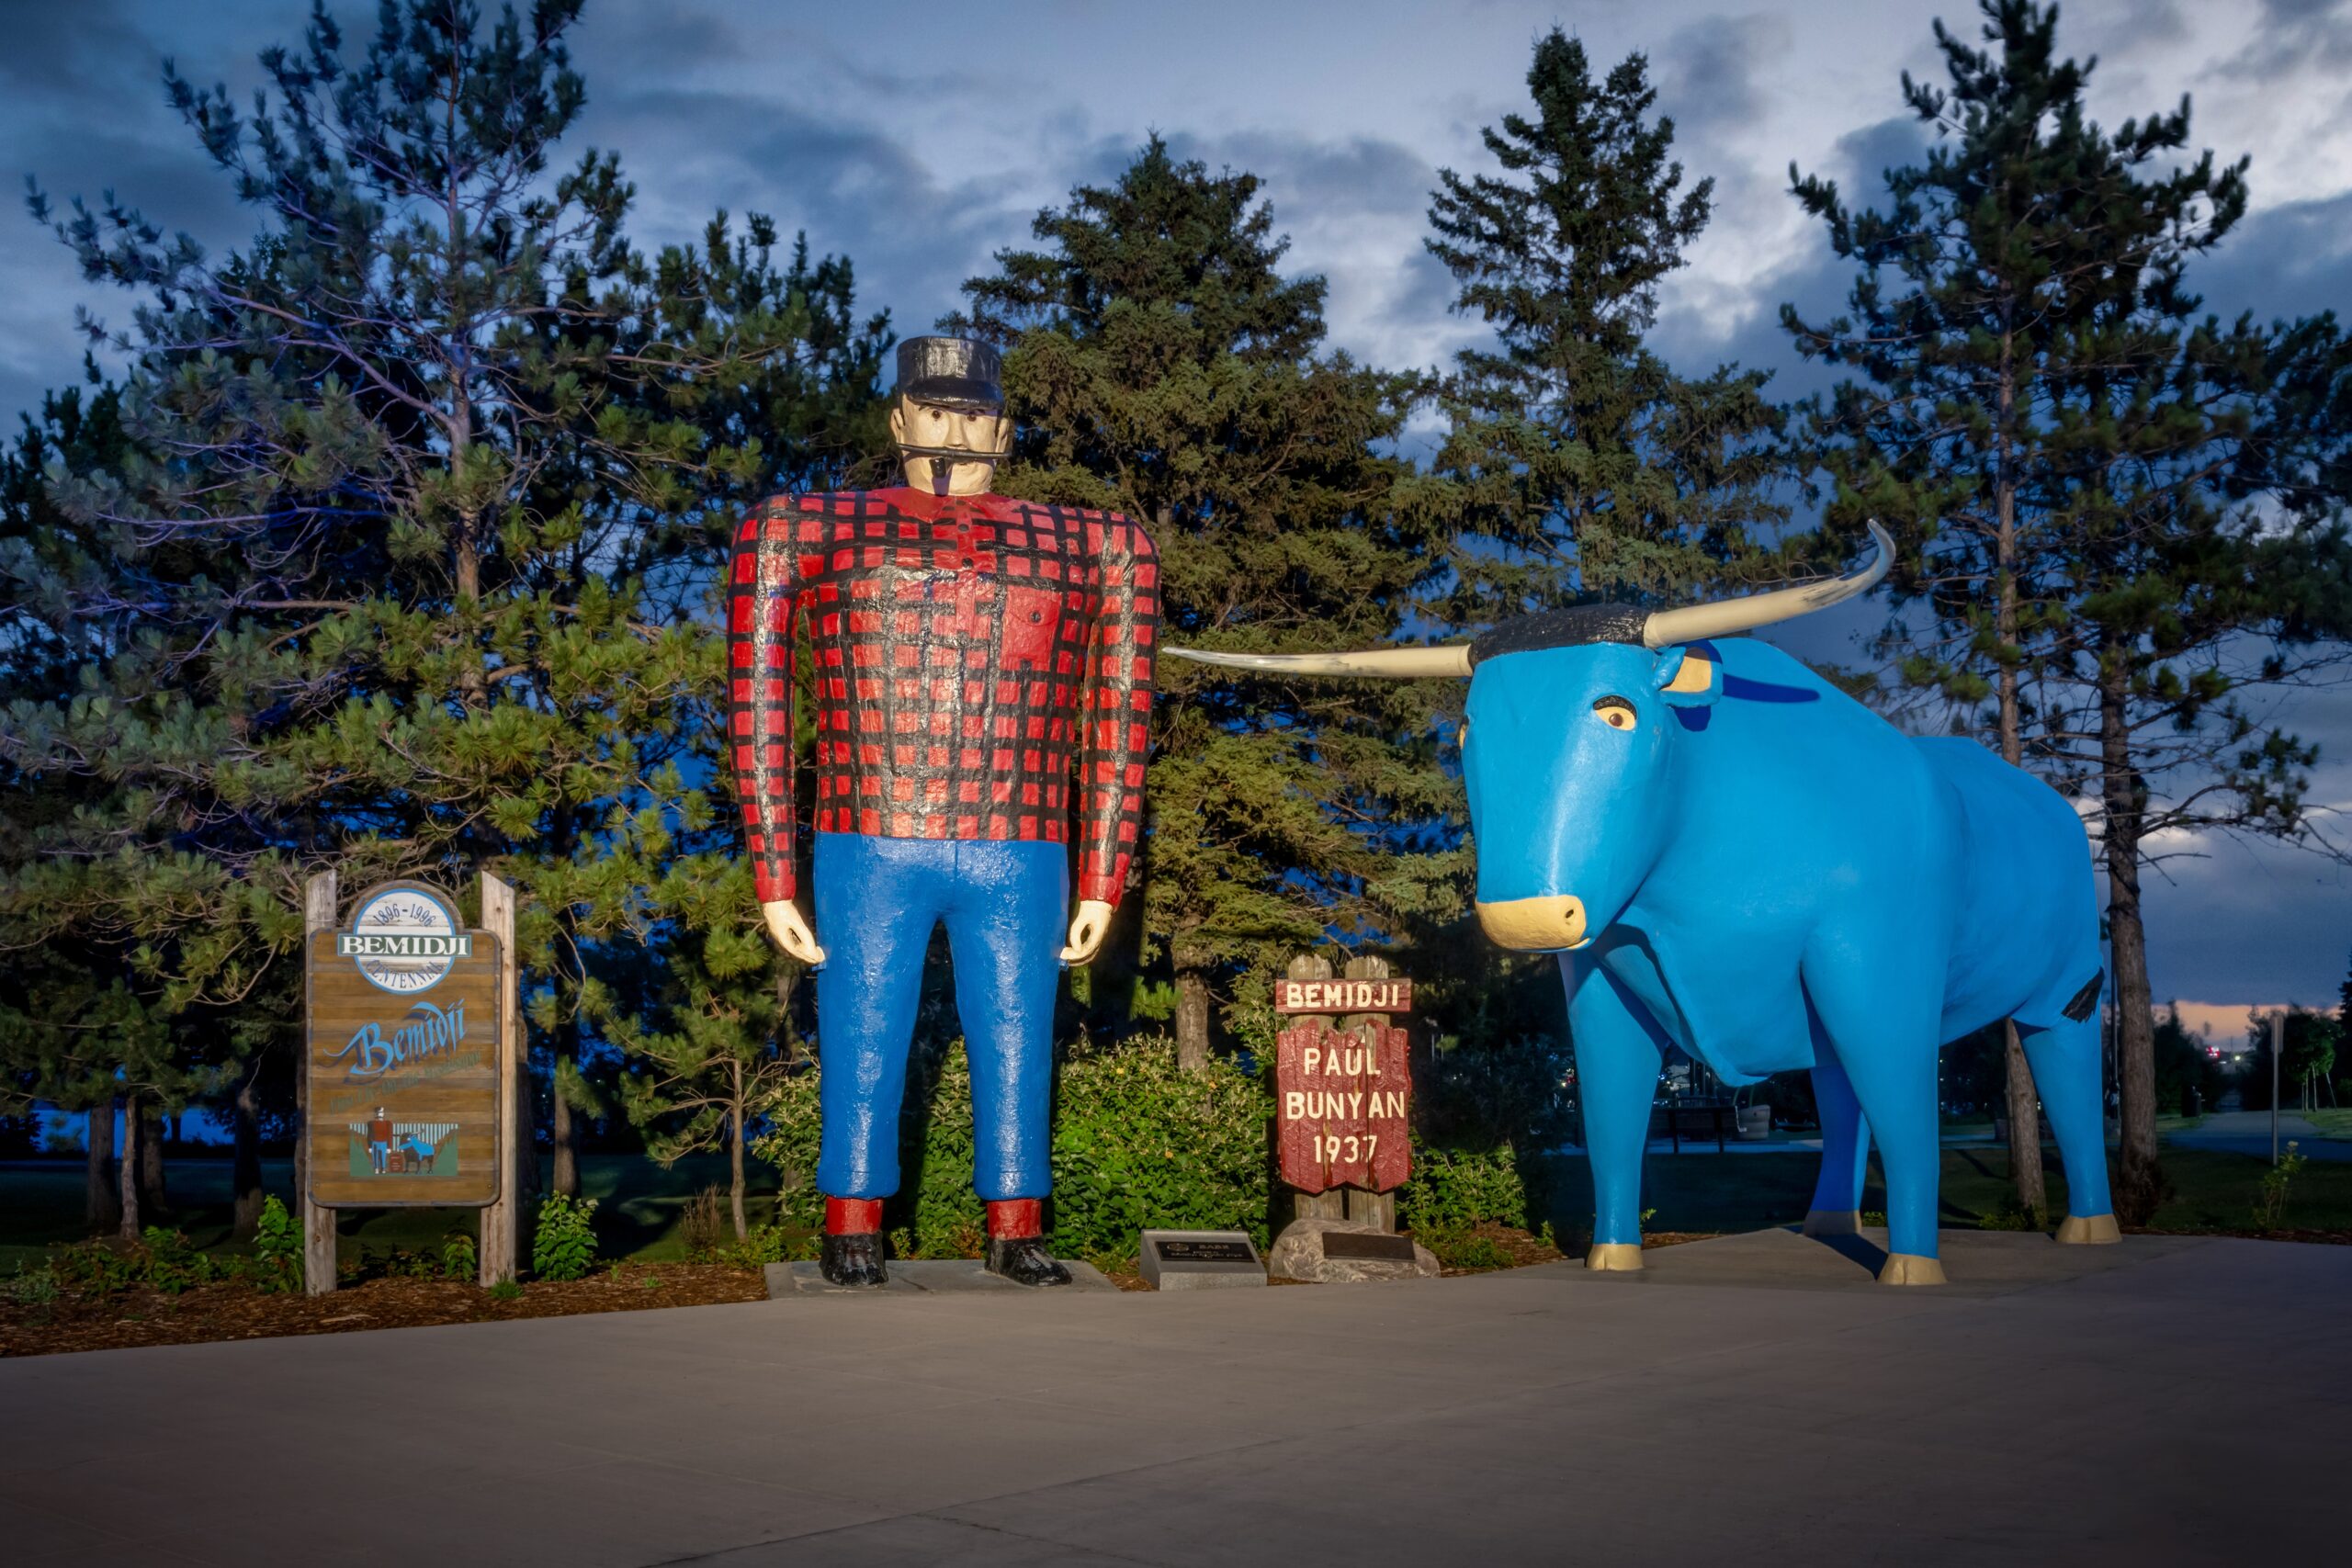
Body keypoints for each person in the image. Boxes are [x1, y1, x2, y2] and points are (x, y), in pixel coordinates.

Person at [730, 335, 1158, 1287]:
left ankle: (1016, 1221)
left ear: (1002, 429)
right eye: (935, 412)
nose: (953, 434)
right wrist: (773, 869)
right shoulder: (802, 528)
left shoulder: (1098, 546)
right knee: (860, 1025)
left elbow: (1122, 713)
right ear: (898, 420)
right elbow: (754, 702)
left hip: (1022, 835)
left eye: (972, 415)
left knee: (1017, 1032)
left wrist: (1102, 872)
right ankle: (851, 1222)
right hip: (869, 825)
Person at [367, 1108, 393, 1175]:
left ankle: (383, 1168)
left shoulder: (388, 1123)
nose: (380, 1113)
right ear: (375, 1113)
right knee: (375, 1156)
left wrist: (389, 1147)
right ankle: (376, 1169)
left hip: (384, 1143)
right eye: (378, 1112)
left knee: (383, 1157)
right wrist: (370, 1146)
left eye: (381, 1112)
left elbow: (389, 1135)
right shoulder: (371, 1123)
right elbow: (369, 1134)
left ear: (383, 1113)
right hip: (374, 1142)